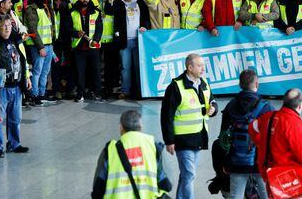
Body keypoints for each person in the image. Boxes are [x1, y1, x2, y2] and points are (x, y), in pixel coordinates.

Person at [160, 53, 218, 199]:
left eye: (203, 65)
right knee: (190, 174)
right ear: (189, 67)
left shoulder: (204, 83)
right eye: (199, 66)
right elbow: (166, 116)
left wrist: (214, 109)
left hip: (199, 137)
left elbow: (212, 101)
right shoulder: (175, 87)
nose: (203, 69)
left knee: (187, 175)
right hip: (183, 139)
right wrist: (169, 140)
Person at [249, 89, 302, 194]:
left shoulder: (268, 117)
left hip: (270, 175)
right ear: (300, 106)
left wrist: (260, 143)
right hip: (289, 179)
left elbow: (252, 127)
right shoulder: (294, 124)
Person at [91, 110, 172, 199]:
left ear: (121, 127)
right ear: (141, 127)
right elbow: (165, 184)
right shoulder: (153, 146)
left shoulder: (110, 150)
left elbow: (98, 188)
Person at [0, 15, 31, 158]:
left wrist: (27, 77)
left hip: (17, 85)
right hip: (0, 87)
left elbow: (23, 60)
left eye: (9, 25)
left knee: (16, 118)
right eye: (3, 25)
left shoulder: (17, 40)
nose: (7, 28)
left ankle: (14, 144)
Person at [220, 69, 273, 199]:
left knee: (235, 195)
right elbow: (273, 138)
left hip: (237, 160)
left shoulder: (230, 106)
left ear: (240, 85)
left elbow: (223, 137)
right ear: (257, 84)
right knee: (267, 195)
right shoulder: (267, 108)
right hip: (260, 163)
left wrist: (226, 162)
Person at [112, 0, 149, 99]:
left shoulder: (140, 2)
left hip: (138, 41)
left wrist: (145, 26)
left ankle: (141, 91)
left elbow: (146, 18)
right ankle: (125, 90)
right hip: (124, 42)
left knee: (139, 67)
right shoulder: (117, 4)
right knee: (125, 67)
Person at [23, 0, 57, 106]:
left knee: (45, 71)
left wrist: (51, 44)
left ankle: (42, 94)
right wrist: (41, 47)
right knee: (37, 71)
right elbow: (33, 29)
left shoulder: (48, 6)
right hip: (38, 46)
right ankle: (35, 95)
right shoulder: (32, 8)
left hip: (49, 44)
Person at [70, 0, 103, 102]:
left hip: (93, 46)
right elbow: (67, 29)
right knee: (80, 72)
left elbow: (99, 29)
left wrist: (96, 40)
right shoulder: (72, 12)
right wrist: (76, 33)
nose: (85, 0)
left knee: (95, 71)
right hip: (78, 47)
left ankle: (97, 93)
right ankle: (80, 94)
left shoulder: (96, 12)